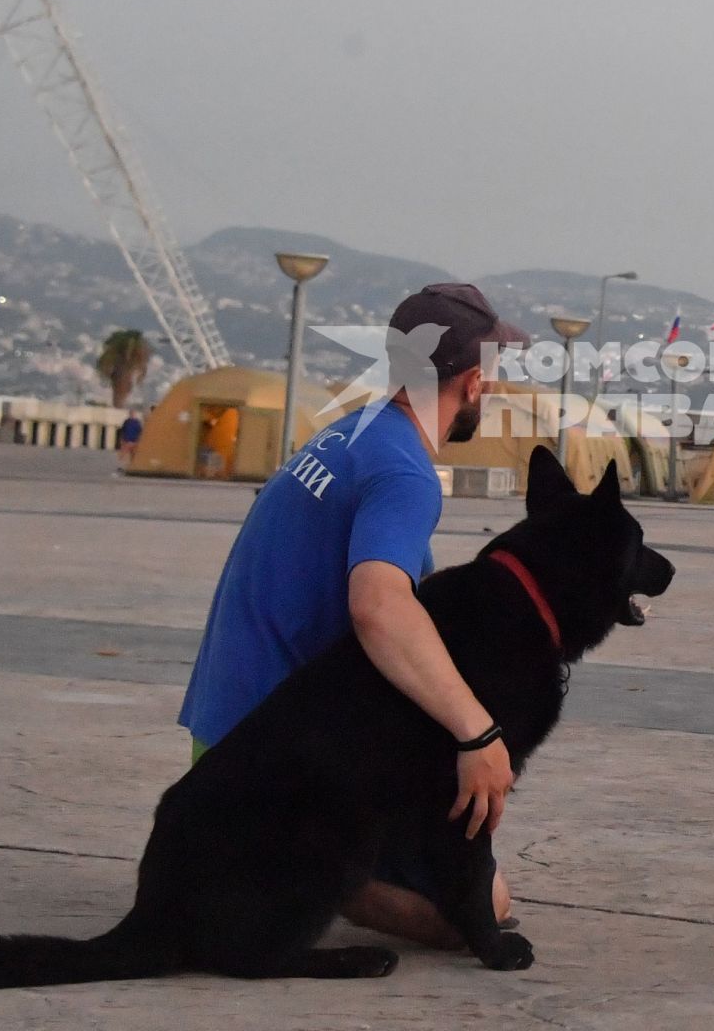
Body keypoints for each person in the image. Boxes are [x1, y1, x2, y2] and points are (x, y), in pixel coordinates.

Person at [178, 282, 528, 947]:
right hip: (265, 760)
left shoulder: (347, 436)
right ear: (474, 382)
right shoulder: (404, 472)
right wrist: (478, 733)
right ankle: (277, 862)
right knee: (483, 904)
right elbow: (378, 606)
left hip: (221, 732)